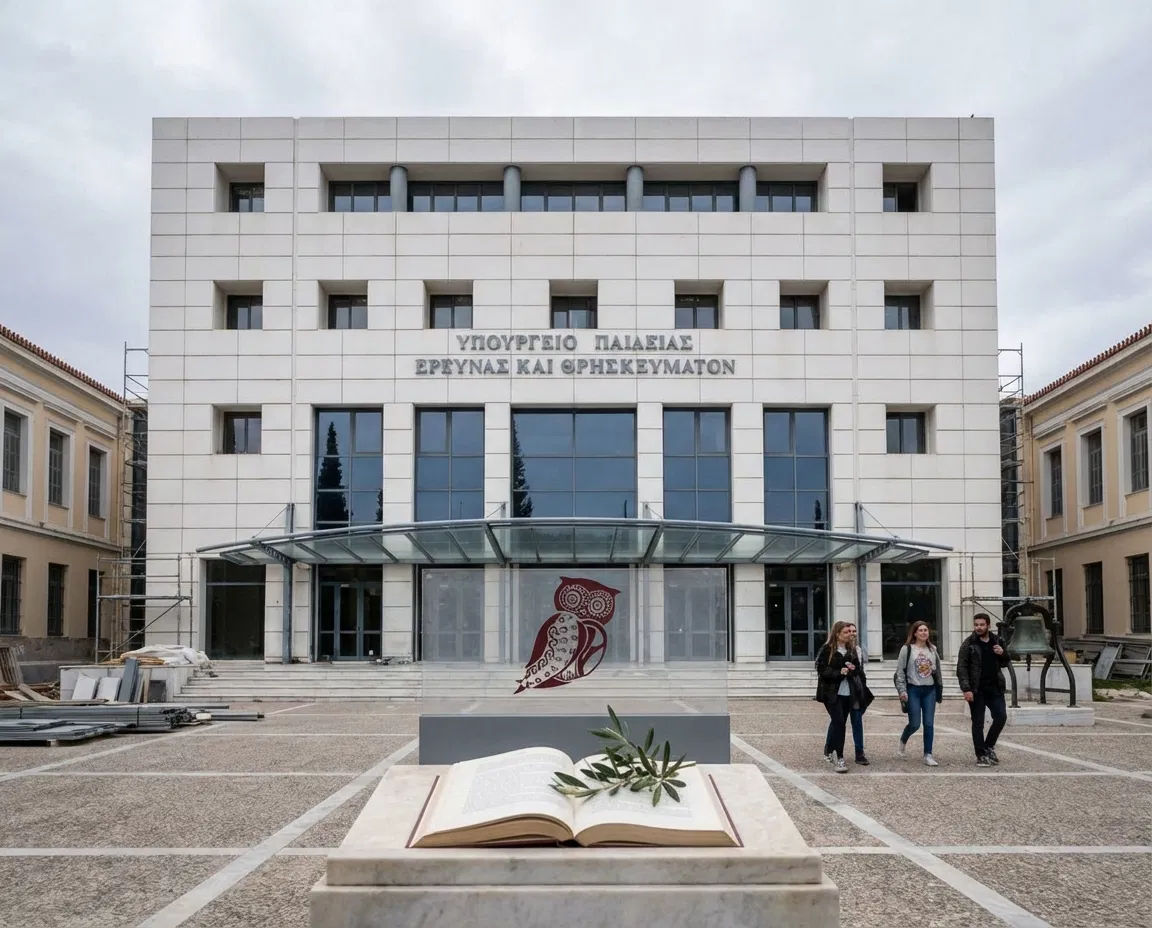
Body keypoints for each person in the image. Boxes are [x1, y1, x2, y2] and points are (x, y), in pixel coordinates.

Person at [815, 621, 873, 773]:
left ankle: (830, 750)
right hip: (832, 694)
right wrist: (838, 672)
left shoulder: (853, 650)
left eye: (851, 632)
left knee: (842, 723)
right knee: (839, 723)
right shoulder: (827, 649)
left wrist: (852, 670)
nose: (850, 635)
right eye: (846, 632)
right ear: (837, 634)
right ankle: (839, 757)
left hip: (849, 693)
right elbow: (822, 670)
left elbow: (858, 671)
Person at [956, 612, 1010, 767]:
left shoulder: (998, 641)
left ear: (988, 625)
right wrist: (966, 689)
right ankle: (980, 754)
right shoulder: (969, 643)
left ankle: (988, 746)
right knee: (978, 722)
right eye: (976, 625)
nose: (978, 627)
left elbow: (1006, 662)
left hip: (995, 688)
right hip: (976, 689)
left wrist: (1003, 654)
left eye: (981, 625)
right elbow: (961, 667)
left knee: (1001, 717)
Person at [894, 621, 944, 766]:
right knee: (915, 724)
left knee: (929, 724)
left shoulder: (933, 649)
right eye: (920, 630)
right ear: (914, 633)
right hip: (913, 689)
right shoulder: (907, 649)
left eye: (926, 630)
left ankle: (928, 754)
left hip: (930, 690)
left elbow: (937, 671)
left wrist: (939, 687)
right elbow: (900, 672)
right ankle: (903, 739)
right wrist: (902, 690)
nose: (923, 632)